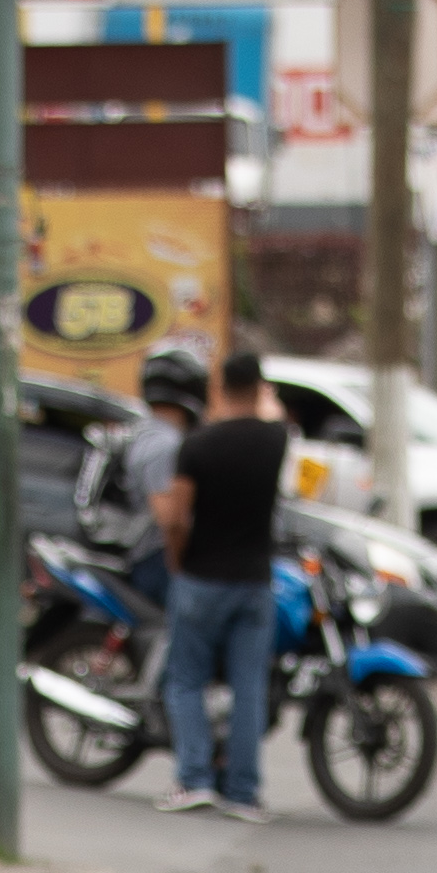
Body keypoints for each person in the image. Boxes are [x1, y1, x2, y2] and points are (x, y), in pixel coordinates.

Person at [147, 344, 291, 819]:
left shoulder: (200, 445)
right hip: (255, 581)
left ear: (220, 389)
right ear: (258, 387)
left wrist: (177, 560)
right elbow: (276, 415)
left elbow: (175, 518)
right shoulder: (276, 440)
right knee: (249, 687)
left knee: (186, 680)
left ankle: (194, 780)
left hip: (202, 577)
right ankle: (243, 791)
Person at [77, 341, 204, 629]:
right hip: (155, 560)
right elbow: (169, 520)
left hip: (142, 555)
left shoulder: (145, 432)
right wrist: (182, 566)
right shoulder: (165, 444)